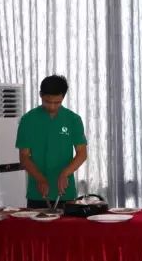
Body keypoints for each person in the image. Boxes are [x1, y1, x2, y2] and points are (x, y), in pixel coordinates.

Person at [15, 75, 88, 208]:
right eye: (47, 102)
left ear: (63, 98)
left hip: (65, 194)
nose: (52, 106)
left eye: (57, 102)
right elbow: (24, 157)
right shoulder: (28, 120)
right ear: (41, 95)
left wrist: (65, 173)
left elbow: (82, 153)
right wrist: (40, 179)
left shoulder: (73, 119)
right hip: (37, 194)